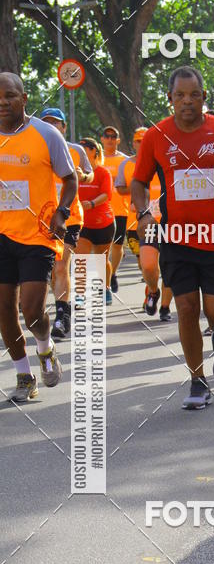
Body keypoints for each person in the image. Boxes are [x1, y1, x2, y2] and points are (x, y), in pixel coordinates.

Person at [131, 65, 214, 410]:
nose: (187, 102)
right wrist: (143, 212)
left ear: (204, 97)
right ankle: (197, 380)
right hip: (176, 238)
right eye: (179, 95)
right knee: (185, 308)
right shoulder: (156, 136)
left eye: (194, 94)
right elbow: (138, 182)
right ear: (170, 99)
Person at [0, 73, 76, 401]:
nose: (3, 102)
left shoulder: (45, 134)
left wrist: (62, 211)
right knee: (3, 311)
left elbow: (70, 178)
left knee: (31, 310)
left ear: (24, 98)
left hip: (37, 235)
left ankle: (45, 348)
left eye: (9, 96)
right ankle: (23, 376)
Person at [40, 107, 93, 339]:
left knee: (61, 266)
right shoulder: (37, 147)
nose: (52, 126)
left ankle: (62, 317)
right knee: (49, 270)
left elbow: (90, 174)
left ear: (64, 126)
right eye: (47, 122)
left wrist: (82, 175)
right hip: (42, 218)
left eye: (56, 122)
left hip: (70, 216)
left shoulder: (76, 150)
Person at [115, 127, 173, 320]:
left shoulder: (169, 160)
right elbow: (127, 188)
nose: (142, 144)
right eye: (139, 141)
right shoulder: (132, 164)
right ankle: (153, 290)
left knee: (169, 266)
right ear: (134, 143)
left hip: (171, 222)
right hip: (145, 223)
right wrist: (138, 205)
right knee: (148, 266)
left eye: (145, 140)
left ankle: (165, 307)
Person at [77, 137, 116, 304]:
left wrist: (92, 203)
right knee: (81, 259)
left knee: (101, 259)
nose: (80, 151)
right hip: (82, 224)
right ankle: (79, 295)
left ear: (94, 151)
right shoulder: (76, 172)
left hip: (103, 223)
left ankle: (105, 288)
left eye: (84, 147)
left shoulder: (102, 172)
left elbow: (107, 194)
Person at [100, 126, 129, 293]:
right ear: (102, 139)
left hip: (120, 209)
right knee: (103, 246)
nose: (110, 139)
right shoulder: (96, 159)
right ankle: (104, 277)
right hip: (100, 209)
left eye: (113, 136)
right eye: (107, 136)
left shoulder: (124, 160)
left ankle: (113, 273)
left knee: (117, 245)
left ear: (118, 140)